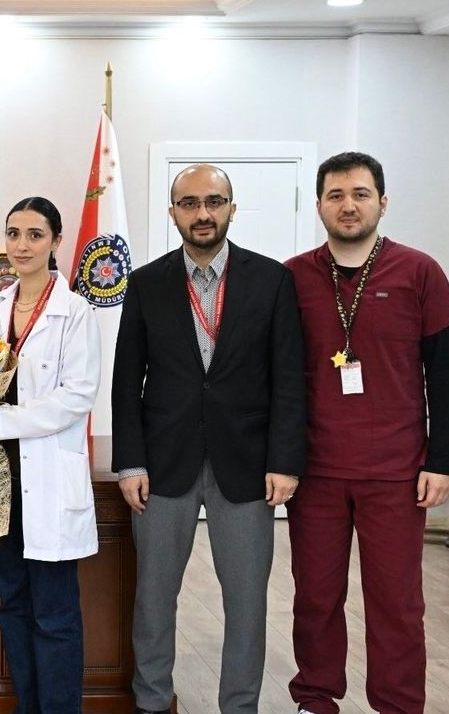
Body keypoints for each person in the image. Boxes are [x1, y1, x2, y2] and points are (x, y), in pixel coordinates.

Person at [111, 164, 306, 714]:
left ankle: (239, 706)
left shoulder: (272, 280)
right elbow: (126, 381)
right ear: (173, 212)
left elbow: (289, 378)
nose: (203, 213)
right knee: (154, 598)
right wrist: (130, 463)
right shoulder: (146, 283)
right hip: (162, 465)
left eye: (214, 202)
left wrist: (285, 460)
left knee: (245, 603)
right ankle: (152, 701)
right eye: (190, 203)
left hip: (246, 467)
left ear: (231, 209)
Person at [285, 152, 449, 714]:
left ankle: (399, 705)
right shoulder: (292, 277)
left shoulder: (420, 272)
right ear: (319, 206)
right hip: (316, 470)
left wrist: (441, 461)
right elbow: (277, 378)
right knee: (315, 597)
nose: (348, 205)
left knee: (397, 604)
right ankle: (315, 699)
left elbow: (446, 374)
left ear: (382, 202)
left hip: (397, 473)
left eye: (360, 194)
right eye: (335, 195)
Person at [0, 196, 101, 713]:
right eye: (13, 234)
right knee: (13, 602)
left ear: (56, 242)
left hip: (47, 477)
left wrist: (0, 421)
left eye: (35, 235)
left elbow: (77, 396)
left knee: (54, 613)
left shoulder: (75, 311)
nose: (21, 245)